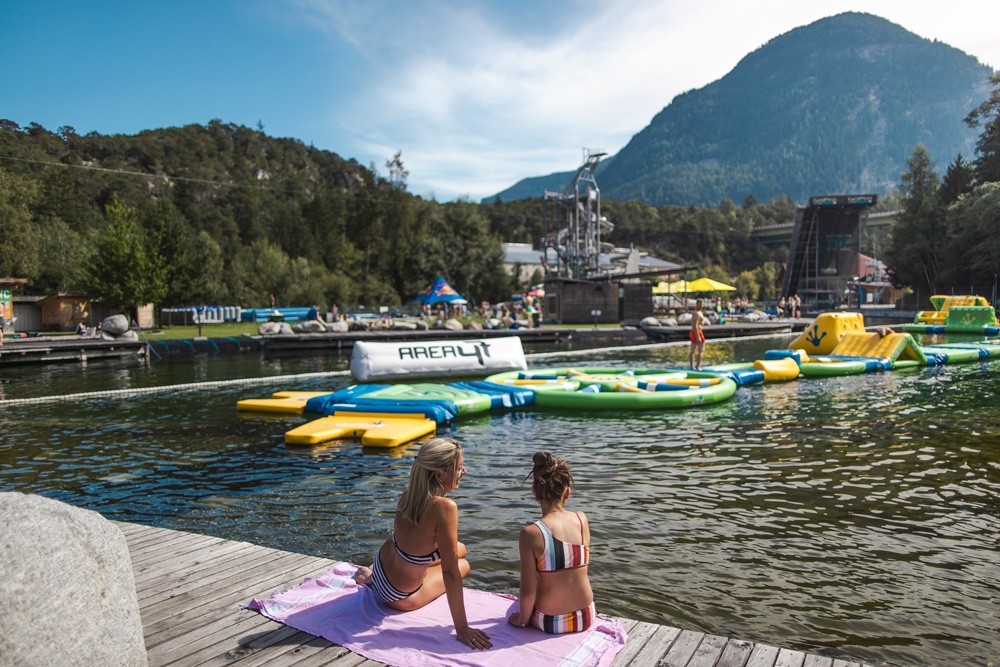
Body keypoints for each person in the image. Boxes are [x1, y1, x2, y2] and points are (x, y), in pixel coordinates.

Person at [354, 438, 492, 650]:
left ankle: (370, 577)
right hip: (398, 596)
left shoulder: (409, 496)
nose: (464, 471)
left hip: (381, 570)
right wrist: (462, 629)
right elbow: (451, 573)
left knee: (459, 549)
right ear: (439, 474)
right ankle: (371, 579)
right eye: (459, 467)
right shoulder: (444, 507)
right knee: (463, 565)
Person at [509, 452, 595, 634]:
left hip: (551, 622)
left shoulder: (529, 534)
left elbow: (527, 590)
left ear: (534, 492)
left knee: (523, 598)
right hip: (586, 616)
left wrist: (522, 620)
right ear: (568, 492)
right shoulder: (581, 520)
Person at [689, 298, 707, 370]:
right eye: (700, 304)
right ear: (697, 304)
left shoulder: (699, 312)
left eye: (702, 304)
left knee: (694, 350)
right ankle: (697, 366)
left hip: (696, 331)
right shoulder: (696, 313)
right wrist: (698, 336)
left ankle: (693, 366)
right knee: (701, 349)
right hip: (697, 331)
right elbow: (695, 325)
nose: (702, 305)